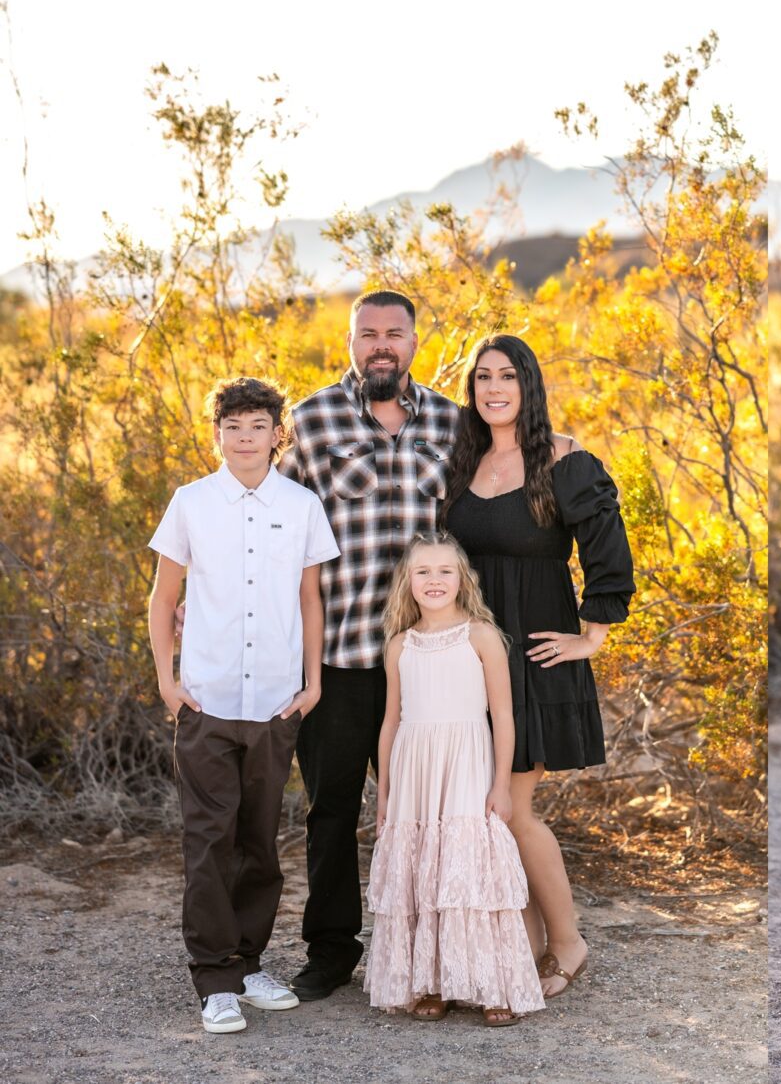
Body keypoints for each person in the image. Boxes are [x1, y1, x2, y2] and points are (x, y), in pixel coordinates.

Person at [278, 289, 460, 1000]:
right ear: (349, 341)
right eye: (368, 334)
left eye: (394, 333)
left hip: (425, 661)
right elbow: (279, 521)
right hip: (338, 656)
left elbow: (481, 510)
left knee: (426, 812)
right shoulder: (313, 417)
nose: (381, 345)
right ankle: (331, 950)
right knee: (331, 809)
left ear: (415, 340)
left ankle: (424, 949)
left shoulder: (450, 422)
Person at [442, 334, 635, 998]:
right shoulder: (458, 464)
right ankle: (519, 946)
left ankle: (568, 942)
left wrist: (593, 636)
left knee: (513, 809)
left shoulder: (563, 461)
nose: (494, 388)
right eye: (483, 378)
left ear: (529, 385)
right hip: (467, 662)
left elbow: (608, 547)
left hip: (533, 653)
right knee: (481, 810)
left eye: (508, 376)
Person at [147, 377, 339, 1033]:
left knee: (259, 841)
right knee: (209, 841)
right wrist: (168, 684)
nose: (246, 438)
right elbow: (162, 598)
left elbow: (311, 599)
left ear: (277, 434)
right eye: (233, 426)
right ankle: (215, 981)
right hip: (206, 698)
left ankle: (249, 962)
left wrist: (312, 683)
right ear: (217, 434)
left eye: (258, 425)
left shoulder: (303, 504)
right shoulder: (191, 503)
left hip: (275, 701)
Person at [364, 532, 546, 1025]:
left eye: (445, 570)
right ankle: (433, 983)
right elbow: (390, 721)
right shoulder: (400, 645)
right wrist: (385, 793)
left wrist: (501, 785)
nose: (434, 580)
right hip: (413, 768)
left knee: (470, 873)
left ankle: (494, 986)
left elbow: (503, 717)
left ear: (463, 579)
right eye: (423, 572)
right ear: (407, 582)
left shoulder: (481, 636)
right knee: (425, 874)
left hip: (467, 761)